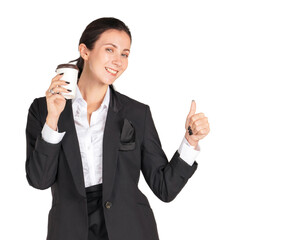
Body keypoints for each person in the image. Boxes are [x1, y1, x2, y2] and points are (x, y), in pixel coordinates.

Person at [25, 17, 210, 240]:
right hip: (69, 231)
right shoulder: (43, 109)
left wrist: (190, 143)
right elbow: (39, 180)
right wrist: (53, 118)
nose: (118, 61)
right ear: (85, 51)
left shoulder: (136, 113)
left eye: (124, 54)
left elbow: (165, 188)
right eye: (110, 50)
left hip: (131, 230)